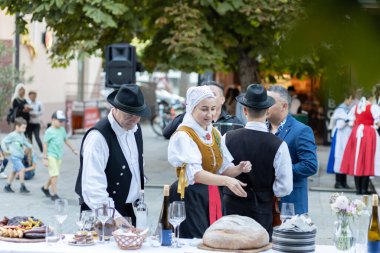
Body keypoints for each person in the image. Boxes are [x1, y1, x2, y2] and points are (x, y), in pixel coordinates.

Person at [168, 85, 252, 239]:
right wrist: (226, 181)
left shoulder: (214, 132)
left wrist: (238, 169)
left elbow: (223, 168)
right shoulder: (183, 135)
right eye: (204, 109)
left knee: (213, 238)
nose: (210, 114)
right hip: (189, 195)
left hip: (212, 195)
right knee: (195, 241)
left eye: (213, 109)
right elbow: (196, 175)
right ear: (192, 108)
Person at [222, 84, 293, 238]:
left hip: (230, 205)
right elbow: (285, 187)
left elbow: (220, 171)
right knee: (259, 247)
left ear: (245, 110)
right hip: (261, 207)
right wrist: (267, 190)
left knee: (230, 246)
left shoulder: (227, 138)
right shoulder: (279, 145)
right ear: (267, 112)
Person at [75, 84, 151, 228]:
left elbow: (135, 163)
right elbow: (92, 187)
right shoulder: (98, 137)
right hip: (100, 215)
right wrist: (113, 217)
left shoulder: (135, 129)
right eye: (129, 113)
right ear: (115, 108)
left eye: (138, 114)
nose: (134, 119)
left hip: (127, 210)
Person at [267, 85, 318, 215]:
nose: (265, 105)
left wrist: (278, 171)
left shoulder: (301, 130)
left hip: (290, 203)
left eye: (270, 102)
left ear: (284, 106)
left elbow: (310, 165)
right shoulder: (261, 128)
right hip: (264, 203)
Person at [163, 81, 243, 138]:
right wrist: (190, 111)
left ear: (222, 100)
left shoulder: (234, 122)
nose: (208, 97)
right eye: (204, 95)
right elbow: (166, 133)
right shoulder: (190, 119)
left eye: (213, 94)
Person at [340, 96, 380, 194]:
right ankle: (364, 189)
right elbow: (378, 123)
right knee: (367, 160)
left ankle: (358, 189)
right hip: (368, 133)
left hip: (356, 133)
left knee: (356, 160)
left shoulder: (356, 107)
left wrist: (359, 124)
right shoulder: (373, 107)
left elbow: (350, 122)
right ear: (370, 98)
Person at [42, 110, 78, 201]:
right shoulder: (49, 131)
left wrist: (73, 149)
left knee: (54, 174)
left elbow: (66, 140)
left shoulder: (62, 130)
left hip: (59, 156)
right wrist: (45, 158)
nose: (62, 123)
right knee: (55, 175)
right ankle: (54, 194)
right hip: (51, 155)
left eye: (63, 121)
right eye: (60, 121)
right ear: (53, 120)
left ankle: (45, 187)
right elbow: (45, 144)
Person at [326, 94, 353, 189]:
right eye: (351, 98)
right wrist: (348, 121)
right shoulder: (340, 110)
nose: (351, 101)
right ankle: (338, 182)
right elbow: (340, 124)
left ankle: (344, 182)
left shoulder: (345, 109)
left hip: (345, 138)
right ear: (347, 98)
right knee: (339, 158)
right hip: (340, 138)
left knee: (344, 158)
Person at [1, 117, 32, 193]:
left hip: (19, 157)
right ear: (17, 127)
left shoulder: (22, 134)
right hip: (14, 157)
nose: (24, 129)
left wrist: (30, 146)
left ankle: (7, 186)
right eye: (23, 128)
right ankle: (22, 187)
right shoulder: (12, 135)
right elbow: (3, 141)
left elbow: (25, 141)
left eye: (25, 128)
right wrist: (6, 150)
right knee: (22, 169)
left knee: (14, 172)